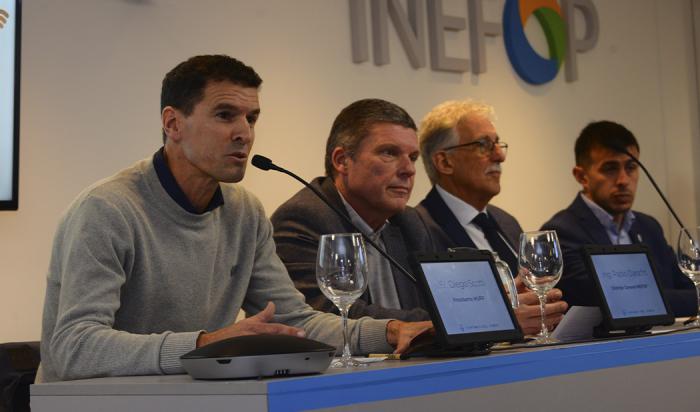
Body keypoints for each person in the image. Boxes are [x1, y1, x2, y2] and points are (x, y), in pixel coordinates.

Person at [38, 55, 429, 383]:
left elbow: (297, 322)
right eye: (225, 115)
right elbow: (74, 346)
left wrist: (389, 332)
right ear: (173, 124)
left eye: (252, 118)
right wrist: (206, 345)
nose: (244, 133)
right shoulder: (107, 209)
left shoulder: (244, 211)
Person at [271, 98, 435, 322]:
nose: (408, 170)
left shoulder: (409, 222)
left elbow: (438, 302)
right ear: (342, 161)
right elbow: (326, 314)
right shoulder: (302, 219)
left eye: (413, 157)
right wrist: (430, 324)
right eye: (389, 153)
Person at [415, 100, 568, 333]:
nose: (499, 156)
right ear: (444, 162)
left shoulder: (506, 222)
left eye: (497, 144)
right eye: (484, 145)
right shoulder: (419, 228)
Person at [541, 120, 695, 315]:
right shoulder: (561, 232)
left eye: (631, 167)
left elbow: (690, 287)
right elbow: (618, 301)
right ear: (581, 176)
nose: (623, 180)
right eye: (610, 168)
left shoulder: (649, 227)